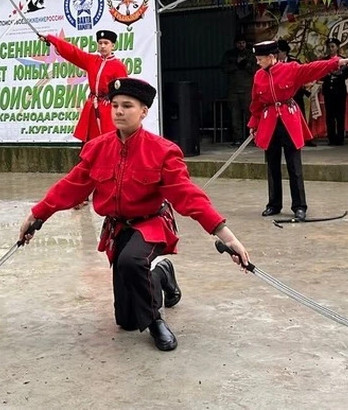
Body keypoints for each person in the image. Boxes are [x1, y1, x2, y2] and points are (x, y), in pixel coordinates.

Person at [16, 77, 250, 351]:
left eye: (127, 106)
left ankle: (155, 322)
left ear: (144, 112)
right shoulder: (97, 148)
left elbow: (189, 196)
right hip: (118, 228)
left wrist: (226, 235)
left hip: (151, 222)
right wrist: (36, 215)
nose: (118, 111)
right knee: (125, 321)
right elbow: (71, 186)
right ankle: (162, 274)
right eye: (114, 105)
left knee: (131, 262)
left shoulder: (163, 151)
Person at [248, 40, 348, 220]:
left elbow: (313, 68)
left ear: (271, 57)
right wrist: (253, 124)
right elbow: (256, 103)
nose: (258, 63)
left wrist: (337, 62)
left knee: (294, 166)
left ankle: (299, 206)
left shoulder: (291, 69)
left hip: (288, 120)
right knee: (272, 165)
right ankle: (274, 204)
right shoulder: (258, 76)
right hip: (269, 122)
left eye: (260, 59)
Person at [42, 30, 128, 143]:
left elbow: (123, 90)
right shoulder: (92, 60)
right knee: (90, 142)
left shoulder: (118, 66)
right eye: (100, 43)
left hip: (108, 109)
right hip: (92, 107)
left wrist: (112, 99)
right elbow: (73, 52)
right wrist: (51, 38)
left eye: (106, 43)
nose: (102, 46)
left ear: (113, 45)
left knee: (109, 142)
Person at [277, 41, 316, 146]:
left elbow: (300, 76)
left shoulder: (293, 61)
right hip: (280, 95)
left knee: (300, 115)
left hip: (295, 93)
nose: (277, 54)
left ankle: (305, 138)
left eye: (279, 51)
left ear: (284, 52)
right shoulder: (274, 63)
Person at [221, 36, 256, 146]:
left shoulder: (251, 55)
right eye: (239, 42)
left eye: (243, 42)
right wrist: (236, 64)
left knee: (250, 116)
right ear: (235, 44)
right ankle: (237, 139)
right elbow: (224, 68)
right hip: (233, 90)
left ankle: (253, 138)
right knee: (235, 116)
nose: (241, 45)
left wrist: (245, 64)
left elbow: (256, 69)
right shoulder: (229, 54)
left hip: (247, 89)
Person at [320, 38, 348, 145]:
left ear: (337, 47)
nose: (331, 49)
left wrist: (340, 74)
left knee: (340, 115)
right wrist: (326, 74)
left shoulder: (343, 60)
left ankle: (340, 138)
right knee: (330, 116)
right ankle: (331, 138)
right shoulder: (324, 60)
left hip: (339, 90)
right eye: (329, 47)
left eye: (333, 46)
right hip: (328, 91)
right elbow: (320, 75)